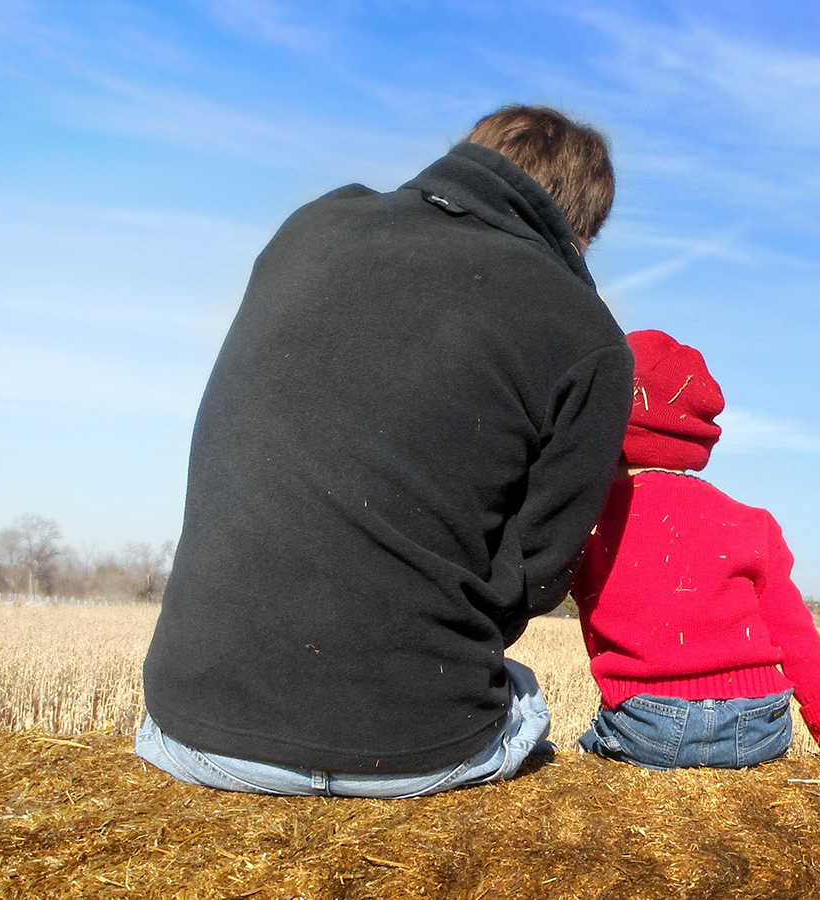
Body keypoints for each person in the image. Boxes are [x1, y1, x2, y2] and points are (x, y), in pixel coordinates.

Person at [136, 105, 634, 798]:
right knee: (524, 696)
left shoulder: (311, 226)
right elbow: (537, 576)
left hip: (187, 728)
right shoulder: (590, 337)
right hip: (411, 749)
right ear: (581, 231)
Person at [571, 330, 820, 770]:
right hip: (763, 723)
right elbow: (793, 631)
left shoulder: (588, 522)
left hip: (650, 723)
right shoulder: (753, 523)